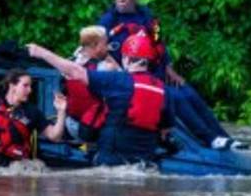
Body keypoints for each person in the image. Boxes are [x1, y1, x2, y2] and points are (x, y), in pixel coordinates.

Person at [99, 0, 244, 150]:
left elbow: (158, 43)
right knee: (176, 97)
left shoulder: (148, 16)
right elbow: (99, 49)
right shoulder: (108, 20)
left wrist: (169, 69)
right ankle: (209, 138)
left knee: (189, 93)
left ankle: (224, 137)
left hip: (154, 72)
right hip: (132, 75)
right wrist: (118, 69)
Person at [28, 32, 173, 166]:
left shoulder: (118, 81)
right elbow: (165, 129)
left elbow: (76, 72)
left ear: (126, 59)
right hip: (144, 162)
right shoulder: (163, 90)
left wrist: (41, 52)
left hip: (111, 160)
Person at [61, 26, 119, 142]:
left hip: (71, 125)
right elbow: (127, 82)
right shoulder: (106, 67)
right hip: (95, 130)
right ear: (95, 45)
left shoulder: (69, 63)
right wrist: (109, 58)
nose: (107, 46)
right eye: (105, 43)